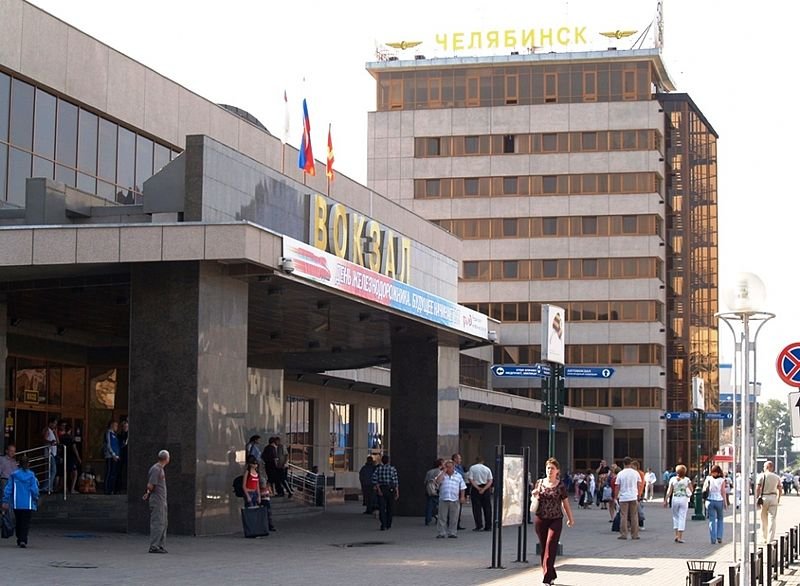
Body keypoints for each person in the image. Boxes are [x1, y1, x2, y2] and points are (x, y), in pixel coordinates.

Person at [532, 457, 574, 586]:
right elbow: (535, 497)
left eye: (552, 468)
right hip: (541, 519)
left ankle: (547, 578)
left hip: (556, 519)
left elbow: (565, 503)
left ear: (557, 471)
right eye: (548, 468)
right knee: (544, 547)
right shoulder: (539, 483)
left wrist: (570, 518)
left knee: (551, 546)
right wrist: (534, 494)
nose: (550, 470)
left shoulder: (560, 485)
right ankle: (551, 573)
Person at [2, 454, 39, 548]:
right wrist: (36, 497)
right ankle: (23, 539)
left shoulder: (14, 475)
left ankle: (19, 537)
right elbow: (34, 489)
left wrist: (5, 500)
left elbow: (8, 488)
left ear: (19, 464)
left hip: (17, 503)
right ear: (29, 464)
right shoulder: (31, 475)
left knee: (18, 521)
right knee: (25, 522)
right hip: (28, 503)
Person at [143, 449, 169, 554]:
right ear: (167, 459)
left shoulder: (160, 469)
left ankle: (160, 545)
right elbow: (150, 484)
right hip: (157, 500)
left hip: (161, 501)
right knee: (158, 523)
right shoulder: (156, 469)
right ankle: (154, 546)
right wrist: (148, 493)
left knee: (163, 523)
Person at [435, 459, 466, 539]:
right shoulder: (442, 474)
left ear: (453, 467)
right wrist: (444, 472)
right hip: (444, 498)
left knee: (454, 517)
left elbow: (462, 487)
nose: (449, 468)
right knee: (442, 517)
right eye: (447, 467)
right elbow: (437, 482)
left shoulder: (458, 476)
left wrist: (462, 497)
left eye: (450, 467)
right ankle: (441, 532)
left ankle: (452, 532)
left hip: (454, 498)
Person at [615, 456, 642, 540]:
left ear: (623, 463)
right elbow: (639, 484)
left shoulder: (620, 473)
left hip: (623, 497)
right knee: (634, 515)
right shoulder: (635, 473)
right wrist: (639, 494)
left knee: (623, 515)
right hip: (633, 496)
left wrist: (616, 497)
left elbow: (617, 486)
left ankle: (623, 534)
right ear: (630, 463)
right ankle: (635, 534)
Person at [664, 464, 693, 543]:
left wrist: (665, 500)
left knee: (675, 517)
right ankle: (680, 537)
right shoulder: (687, 480)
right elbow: (691, 490)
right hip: (683, 499)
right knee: (682, 517)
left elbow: (669, 490)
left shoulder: (672, 479)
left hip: (675, 499)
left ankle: (676, 535)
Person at [756, 460, 783, 543]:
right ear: (772, 467)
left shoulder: (761, 476)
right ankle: (770, 539)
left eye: (764, 467)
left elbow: (758, 488)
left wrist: (757, 498)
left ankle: (764, 537)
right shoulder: (777, 477)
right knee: (772, 519)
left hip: (764, 497)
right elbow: (780, 489)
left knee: (763, 519)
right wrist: (778, 498)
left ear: (767, 467)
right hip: (773, 497)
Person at [371, 454, 399, 531]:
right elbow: (395, 481)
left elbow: (374, 480)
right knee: (390, 507)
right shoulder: (392, 469)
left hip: (382, 489)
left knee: (382, 508)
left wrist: (379, 490)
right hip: (390, 489)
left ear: (382, 461)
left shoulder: (378, 469)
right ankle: (388, 524)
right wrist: (397, 492)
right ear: (389, 461)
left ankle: (383, 524)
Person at [467, 456, 493, 531]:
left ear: (476, 460)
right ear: (483, 461)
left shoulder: (472, 468)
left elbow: (471, 479)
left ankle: (479, 525)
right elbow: (490, 481)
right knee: (487, 508)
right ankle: (488, 526)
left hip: (476, 488)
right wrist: (484, 489)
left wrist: (478, 488)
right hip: (486, 488)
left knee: (476, 508)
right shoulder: (487, 469)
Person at [703, 464, 727, 544]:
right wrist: (725, 502)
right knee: (720, 519)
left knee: (712, 520)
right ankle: (719, 536)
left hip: (710, 500)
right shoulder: (722, 480)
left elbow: (704, 489)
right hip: (719, 500)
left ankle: (713, 539)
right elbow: (723, 492)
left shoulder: (708, 478)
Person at [61, 423, 82, 494]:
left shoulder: (62, 437)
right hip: (71, 457)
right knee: (74, 472)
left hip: (64, 456)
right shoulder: (71, 438)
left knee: (65, 472)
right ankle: (72, 489)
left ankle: (65, 488)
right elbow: (74, 448)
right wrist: (78, 457)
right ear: (70, 430)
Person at [102, 420, 120, 495]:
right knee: (109, 472)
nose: (116, 427)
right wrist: (113, 454)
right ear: (112, 425)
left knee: (113, 473)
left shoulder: (114, 435)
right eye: (115, 425)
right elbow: (109, 445)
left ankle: (111, 489)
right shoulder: (108, 433)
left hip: (115, 456)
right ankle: (106, 489)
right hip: (110, 456)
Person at [424, 458, 444, 526]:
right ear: (440, 464)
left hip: (429, 490)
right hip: (436, 490)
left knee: (429, 505)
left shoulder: (429, 471)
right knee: (438, 506)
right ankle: (437, 517)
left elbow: (425, 481)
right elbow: (440, 482)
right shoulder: (440, 472)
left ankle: (428, 519)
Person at [42, 417, 58, 493]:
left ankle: (49, 487)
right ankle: (46, 486)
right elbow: (44, 439)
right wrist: (50, 442)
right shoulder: (47, 430)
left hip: (53, 453)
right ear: (50, 423)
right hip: (49, 452)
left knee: (50, 470)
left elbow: (57, 441)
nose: (55, 425)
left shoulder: (52, 431)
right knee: (53, 470)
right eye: (54, 423)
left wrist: (55, 433)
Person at [452, 453, 466, 530]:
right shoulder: (453, 467)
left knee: (458, 507)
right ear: (455, 459)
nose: (460, 460)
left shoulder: (460, 467)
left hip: (460, 488)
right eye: (459, 458)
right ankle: (453, 523)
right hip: (454, 488)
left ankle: (457, 523)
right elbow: (460, 475)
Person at [116, 419, 129, 494]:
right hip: (121, 454)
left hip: (127, 455)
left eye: (126, 426)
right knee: (119, 471)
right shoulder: (120, 435)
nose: (125, 428)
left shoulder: (128, 435)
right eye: (124, 427)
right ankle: (119, 487)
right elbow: (120, 444)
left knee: (126, 471)